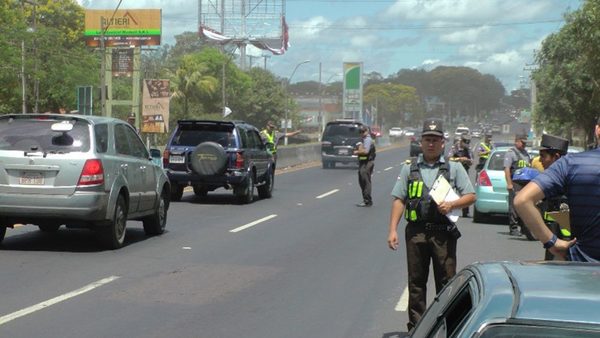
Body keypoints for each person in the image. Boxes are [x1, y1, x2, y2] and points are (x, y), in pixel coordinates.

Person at [387, 118, 476, 331]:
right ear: (421, 141)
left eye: (435, 140)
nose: (431, 144)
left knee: (446, 283)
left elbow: (471, 196)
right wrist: (392, 230)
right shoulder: (410, 169)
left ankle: (447, 328)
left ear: (443, 143)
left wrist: (452, 204)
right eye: (427, 139)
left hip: (443, 234)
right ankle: (416, 329)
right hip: (416, 233)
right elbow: (399, 199)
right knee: (416, 283)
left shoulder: (453, 168)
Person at [515, 120, 600, 262]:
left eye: (543, 156)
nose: (540, 160)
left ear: (597, 130)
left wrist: (552, 243)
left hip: (581, 267)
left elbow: (522, 200)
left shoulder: (570, 166)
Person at [535, 134, 570, 260]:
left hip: (563, 253)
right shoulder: (552, 184)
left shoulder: (563, 187)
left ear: (556, 157)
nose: (539, 160)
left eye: (543, 156)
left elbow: (566, 232)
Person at [504, 134, 531, 236]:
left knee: (524, 206)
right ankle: (513, 228)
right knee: (514, 206)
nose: (524, 144)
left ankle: (524, 228)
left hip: (525, 183)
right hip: (515, 183)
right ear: (516, 141)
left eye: (525, 143)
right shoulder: (511, 153)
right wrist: (509, 184)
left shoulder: (525, 153)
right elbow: (507, 169)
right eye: (522, 142)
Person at [448, 134, 473, 217]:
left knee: (466, 191)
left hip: (465, 170)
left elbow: (472, 161)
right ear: (461, 141)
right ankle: (450, 207)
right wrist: (459, 159)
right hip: (454, 170)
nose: (466, 145)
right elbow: (449, 158)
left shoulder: (468, 149)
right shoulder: (455, 147)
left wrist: (467, 160)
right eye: (465, 142)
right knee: (452, 189)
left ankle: (466, 211)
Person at [354, 125, 376, 207]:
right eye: (360, 132)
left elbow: (366, 152)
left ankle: (367, 200)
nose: (362, 133)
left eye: (363, 131)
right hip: (363, 162)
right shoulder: (363, 139)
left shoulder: (367, 139)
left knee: (365, 181)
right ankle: (366, 199)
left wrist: (357, 152)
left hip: (367, 163)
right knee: (362, 181)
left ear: (367, 131)